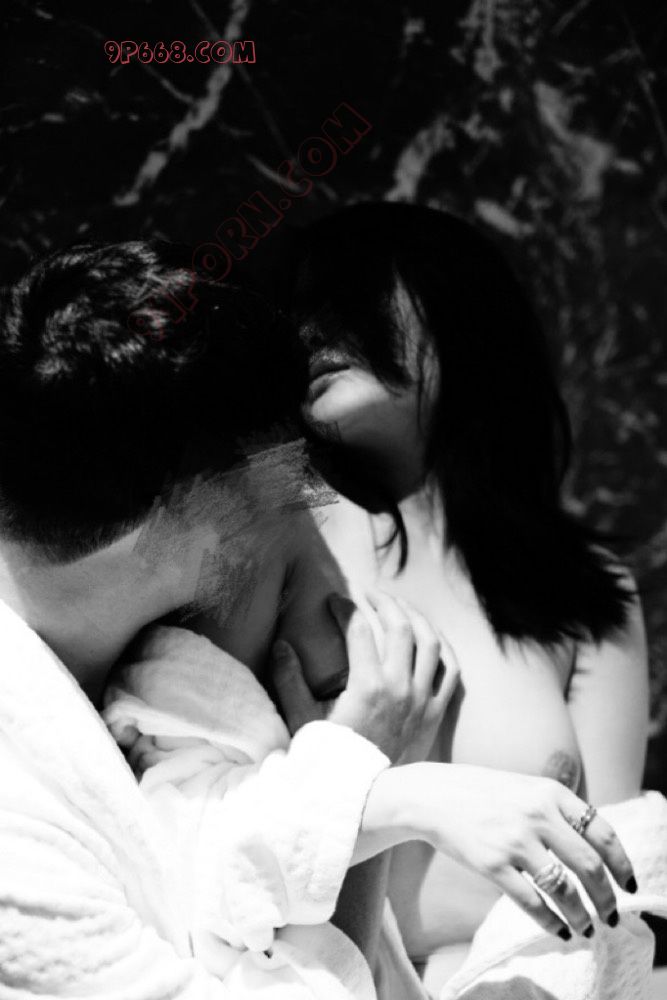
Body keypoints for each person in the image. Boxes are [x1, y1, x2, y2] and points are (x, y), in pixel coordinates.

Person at [0, 241, 645, 999]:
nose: (310, 499)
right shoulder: (25, 836)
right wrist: (377, 779)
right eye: (287, 480)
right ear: (202, 498)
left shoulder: (104, 656)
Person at [287, 201, 655, 993]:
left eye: (352, 302)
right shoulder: (281, 540)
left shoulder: (583, 589)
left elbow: (621, 881)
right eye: (302, 312)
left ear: (458, 311)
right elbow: (213, 824)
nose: (315, 333)